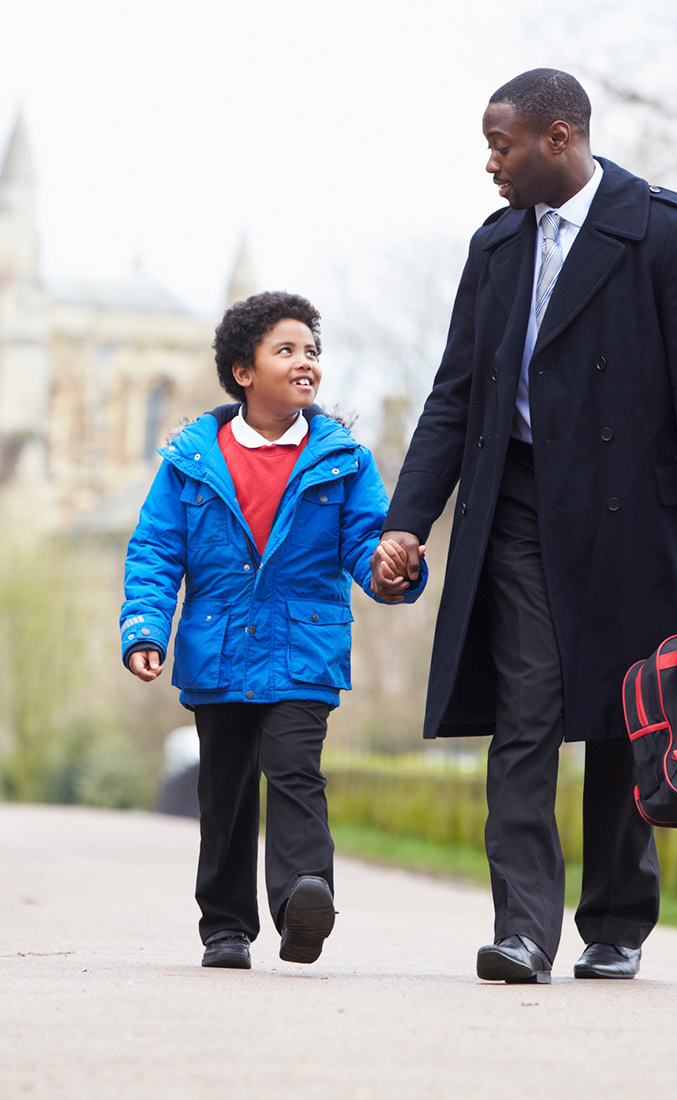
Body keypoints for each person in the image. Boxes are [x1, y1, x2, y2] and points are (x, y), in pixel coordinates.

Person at [370, 68, 677, 983]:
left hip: (633, 517)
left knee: (631, 717)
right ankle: (523, 932)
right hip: (515, 503)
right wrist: (408, 521)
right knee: (526, 710)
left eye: (500, 143)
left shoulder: (665, 230)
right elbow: (456, 394)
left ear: (558, 138)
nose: (489, 162)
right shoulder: (498, 244)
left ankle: (617, 924)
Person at [121, 290, 425, 970]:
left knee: (294, 770)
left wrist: (391, 570)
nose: (304, 362)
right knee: (223, 788)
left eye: (312, 351)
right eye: (285, 350)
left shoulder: (344, 460)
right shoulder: (189, 460)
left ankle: (302, 900)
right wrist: (145, 628)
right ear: (243, 372)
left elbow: (367, 548)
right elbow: (156, 551)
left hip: (303, 645)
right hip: (218, 649)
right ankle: (226, 926)